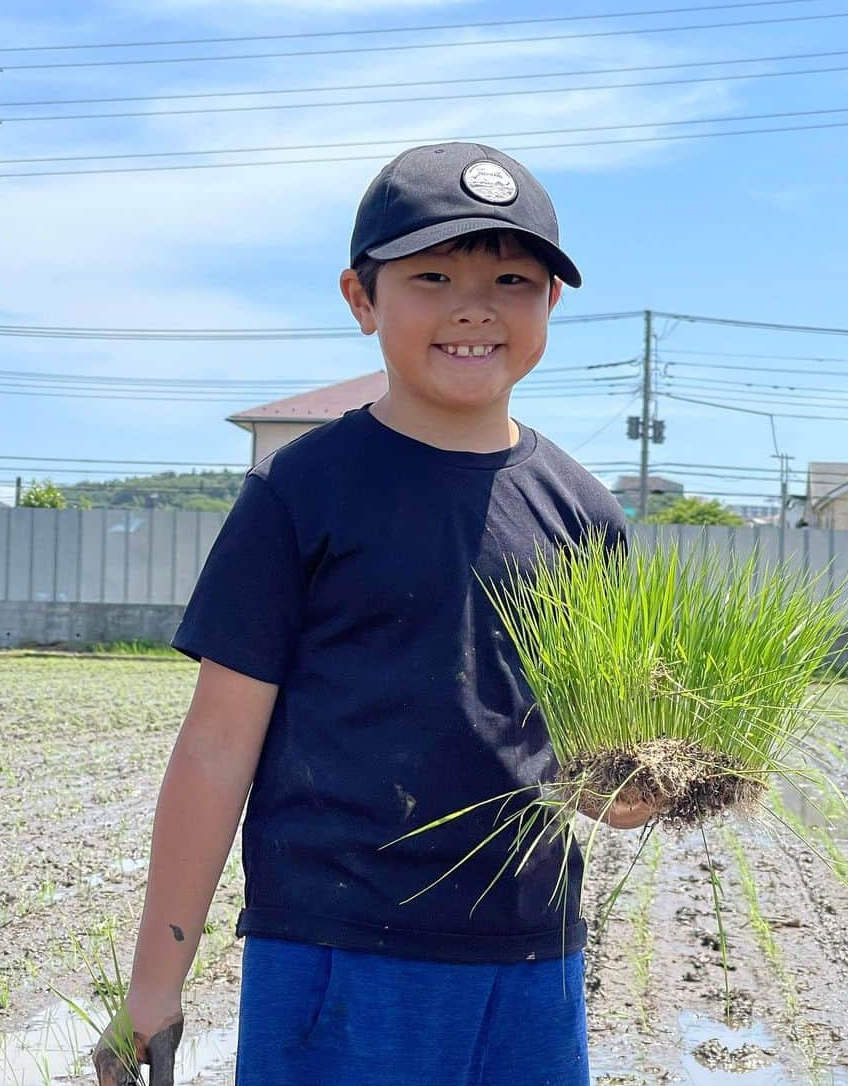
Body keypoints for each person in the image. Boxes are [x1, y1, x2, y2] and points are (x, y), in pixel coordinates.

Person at [93, 142, 660, 1086]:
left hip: (533, 961)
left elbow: (581, 751)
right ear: (361, 299)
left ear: (550, 305)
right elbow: (217, 745)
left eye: (512, 278)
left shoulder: (583, 512)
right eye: (433, 275)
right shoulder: (300, 494)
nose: (475, 306)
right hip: (337, 952)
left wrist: (628, 793)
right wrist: (156, 986)